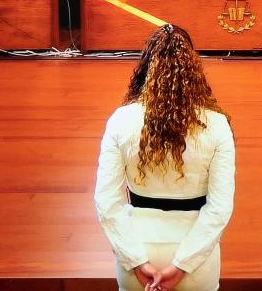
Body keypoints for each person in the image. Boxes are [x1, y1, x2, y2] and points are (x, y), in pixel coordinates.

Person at [94, 24, 235, 291]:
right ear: (194, 68)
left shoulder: (120, 120)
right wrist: (182, 264)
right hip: (196, 261)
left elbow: (106, 201)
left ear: (146, 66)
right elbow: (219, 208)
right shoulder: (216, 124)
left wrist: (136, 261)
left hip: (137, 256)